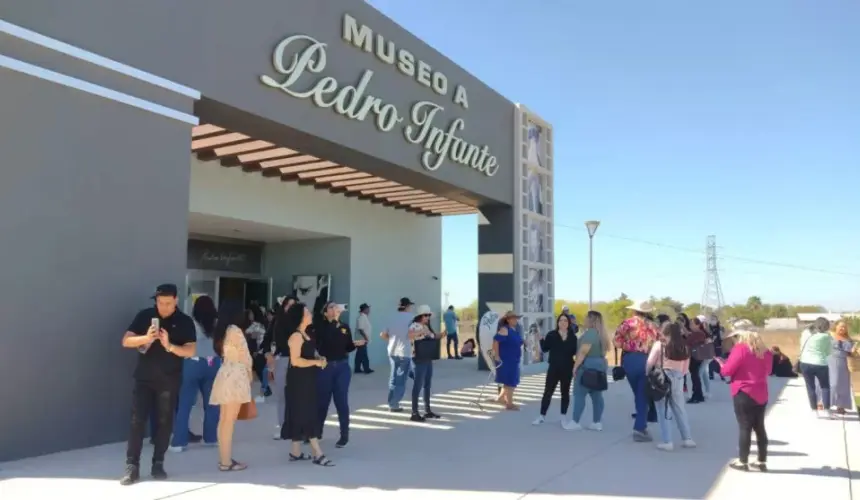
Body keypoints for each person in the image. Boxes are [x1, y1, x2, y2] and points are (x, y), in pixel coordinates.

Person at [120, 284, 197, 486]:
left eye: (168, 303)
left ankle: (158, 463)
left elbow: (190, 351)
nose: (163, 307)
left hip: (169, 379)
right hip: (144, 378)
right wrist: (146, 338)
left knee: (164, 423)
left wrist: (169, 345)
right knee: (137, 421)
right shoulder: (145, 316)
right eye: (160, 302)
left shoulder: (184, 321)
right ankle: (132, 466)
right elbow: (126, 341)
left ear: (176, 301)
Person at [716, 325, 773, 472]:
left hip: (744, 391)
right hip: (761, 392)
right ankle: (761, 460)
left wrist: (722, 365)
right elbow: (769, 370)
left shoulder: (741, 349)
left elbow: (727, 371)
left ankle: (743, 461)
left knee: (745, 426)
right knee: (759, 426)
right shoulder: (765, 351)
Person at [284, 302, 334, 466]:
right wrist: (315, 363)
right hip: (299, 380)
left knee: (300, 412)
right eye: (307, 312)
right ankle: (317, 453)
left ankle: (295, 451)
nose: (310, 314)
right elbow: (296, 361)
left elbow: (310, 353)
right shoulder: (296, 336)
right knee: (306, 413)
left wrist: (318, 358)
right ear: (300, 317)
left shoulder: (306, 334)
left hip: (308, 378)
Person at [169, 295, 220, 452]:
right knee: (213, 404)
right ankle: (211, 438)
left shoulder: (190, 322)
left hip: (192, 362)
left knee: (185, 404)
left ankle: (179, 442)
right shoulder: (217, 323)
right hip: (213, 362)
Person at [209, 304, 253, 472]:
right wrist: (249, 376)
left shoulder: (222, 330)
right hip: (236, 375)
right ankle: (226, 462)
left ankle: (225, 458)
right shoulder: (235, 330)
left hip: (225, 373)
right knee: (229, 421)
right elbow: (245, 356)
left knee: (224, 421)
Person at [316, 302, 364, 447]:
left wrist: (355, 344)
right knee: (322, 402)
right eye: (331, 307)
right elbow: (326, 339)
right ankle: (316, 433)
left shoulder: (344, 327)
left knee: (341, 401)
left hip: (342, 367)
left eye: (335, 307)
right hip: (326, 367)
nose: (335, 309)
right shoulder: (321, 326)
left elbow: (347, 346)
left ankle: (344, 435)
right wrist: (334, 321)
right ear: (325, 312)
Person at [614, 300, 659, 442]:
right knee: (643, 394)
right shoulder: (653, 326)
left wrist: (629, 345)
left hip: (629, 360)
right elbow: (659, 343)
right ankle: (640, 427)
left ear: (634, 311)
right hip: (646, 359)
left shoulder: (627, 323)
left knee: (637, 392)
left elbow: (616, 341)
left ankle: (641, 424)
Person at [647, 322, 695, 451]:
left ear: (664, 332)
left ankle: (667, 441)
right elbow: (686, 369)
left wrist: (648, 374)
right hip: (678, 377)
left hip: (662, 378)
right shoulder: (684, 346)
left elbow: (650, 362)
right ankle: (687, 438)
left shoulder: (659, 345)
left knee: (663, 410)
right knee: (679, 409)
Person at [533, 314, 578, 426]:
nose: (563, 323)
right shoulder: (552, 335)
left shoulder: (573, 337)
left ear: (569, 323)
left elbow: (575, 352)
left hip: (567, 368)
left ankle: (563, 416)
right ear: (557, 322)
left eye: (565, 321)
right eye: (561, 320)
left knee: (565, 393)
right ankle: (541, 416)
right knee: (548, 392)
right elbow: (545, 348)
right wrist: (540, 340)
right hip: (553, 367)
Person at [569, 311, 610, 431]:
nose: (585, 319)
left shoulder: (590, 333)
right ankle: (597, 422)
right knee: (597, 395)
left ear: (591, 320)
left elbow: (583, 352)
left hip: (587, 366)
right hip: (599, 367)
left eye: (586, 317)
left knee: (579, 394)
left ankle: (575, 421)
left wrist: (575, 367)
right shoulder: (601, 334)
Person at [263, 296, 296, 440]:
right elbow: (266, 340)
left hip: (299, 361)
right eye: (288, 305)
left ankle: (297, 427)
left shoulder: (302, 322)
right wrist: (267, 354)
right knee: (282, 395)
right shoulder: (277, 321)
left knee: (297, 396)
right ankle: (283, 427)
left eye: (293, 305)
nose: (290, 308)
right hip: (282, 359)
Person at [409, 305, 444, 421]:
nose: (428, 317)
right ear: (420, 316)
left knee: (427, 384)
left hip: (427, 358)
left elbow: (433, 336)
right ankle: (414, 412)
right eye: (426, 315)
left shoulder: (426, 326)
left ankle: (427, 410)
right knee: (418, 385)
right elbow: (409, 336)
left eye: (429, 315)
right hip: (419, 359)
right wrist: (421, 332)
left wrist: (442, 334)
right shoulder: (414, 326)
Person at [382, 298, 416, 412]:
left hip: (392, 351)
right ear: (407, 307)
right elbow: (412, 336)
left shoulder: (391, 317)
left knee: (393, 378)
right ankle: (394, 404)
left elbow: (383, 334)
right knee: (400, 379)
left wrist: (392, 340)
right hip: (404, 352)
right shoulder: (411, 318)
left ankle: (391, 402)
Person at [798, 317, 833, 418]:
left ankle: (814, 410)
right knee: (825, 386)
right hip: (820, 363)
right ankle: (827, 410)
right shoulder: (827, 336)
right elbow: (828, 352)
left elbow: (801, 346)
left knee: (810, 387)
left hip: (805, 362)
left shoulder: (805, 333)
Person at [494, 311, 525, 410]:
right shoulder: (504, 329)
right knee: (511, 382)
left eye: (516, 318)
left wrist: (524, 341)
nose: (515, 320)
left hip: (514, 359)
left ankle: (500, 398)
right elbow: (496, 341)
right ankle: (509, 404)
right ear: (508, 320)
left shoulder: (514, 330)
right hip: (506, 359)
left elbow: (516, 342)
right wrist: (497, 356)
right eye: (513, 318)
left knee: (508, 381)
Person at [829, 321, 854, 415]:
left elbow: (851, 351)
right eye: (841, 326)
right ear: (836, 327)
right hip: (831, 362)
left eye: (844, 327)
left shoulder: (848, 339)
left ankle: (841, 406)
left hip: (843, 363)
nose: (842, 328)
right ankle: (827, 404)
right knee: (833, 384)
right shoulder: (830, 336)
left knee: (843, 386)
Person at [245, 308, 270, 399]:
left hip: (259, 350)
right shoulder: (260, 325)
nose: (250, 316)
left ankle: (265, 389)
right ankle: (265, 389)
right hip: (261, 350)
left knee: (261, 369)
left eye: (251, 314)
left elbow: (249, 334)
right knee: (262, 370)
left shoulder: (255, 325)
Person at [689, 317, 712, 402]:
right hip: (694, 357)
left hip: (696, 357)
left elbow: (697, 344)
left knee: (696, 377)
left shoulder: (699, 334)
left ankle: (697, 396)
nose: (690, 326)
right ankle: (698, 395)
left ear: (698, 325)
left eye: (692, 324)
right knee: (695, 376)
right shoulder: (695, 333)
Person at [354, 303, 374, 374]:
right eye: (368, 309)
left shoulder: (364, 317)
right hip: (361, 339)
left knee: (359, 354)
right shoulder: (362, 317)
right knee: (364, 354)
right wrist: (366, 338)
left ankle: (357, 368)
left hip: (361, 339)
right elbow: (361, 329)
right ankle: (366, 369)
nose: (369, 310)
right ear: (365, 309)